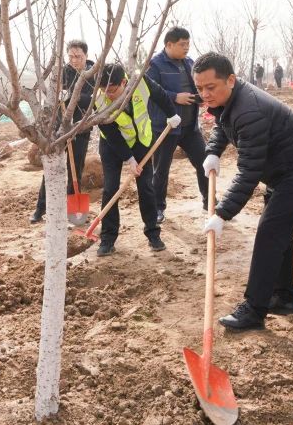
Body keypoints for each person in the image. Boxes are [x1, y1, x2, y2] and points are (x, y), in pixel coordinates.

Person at [195, 52, 293, 330]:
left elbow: (248, 173)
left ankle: (254, 309)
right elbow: (222, 123)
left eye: (210, 87)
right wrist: (213, 151)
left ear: (230, 80)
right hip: (283, 171)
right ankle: (284, 296)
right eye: (200, 88)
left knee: (269, 233)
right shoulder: (231, 100)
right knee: (279, 233)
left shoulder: (249, 110)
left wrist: (222, 213)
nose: (205, 94)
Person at [92, 62, 178, 256]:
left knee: (146, 186)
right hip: (112, 145)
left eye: (112, 90)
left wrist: (172, 114)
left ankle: (153, 233)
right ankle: (107, 238)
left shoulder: (140, 82)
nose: (108, 95)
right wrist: (129, 159)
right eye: (104, 90)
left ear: (124, 82)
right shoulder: (98, 100)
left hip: (141, 140)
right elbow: (111, 134)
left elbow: (160, 95)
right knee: (110, 188)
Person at [145, 26, 209, 224]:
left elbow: (195, 87)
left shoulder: (189, 63)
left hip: (190, 127)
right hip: (166, 127)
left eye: (188, 44)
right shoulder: (155, 65)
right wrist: (175, 97)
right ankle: (157, 208)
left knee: (204, 162)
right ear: (169, 44)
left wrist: (200, 97)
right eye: (182, 44)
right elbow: (149, 91)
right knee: (161, 170)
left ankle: (209, 201)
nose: (186, 48)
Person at [30, 39, 95, 223]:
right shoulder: (63, 73)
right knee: (51, 168)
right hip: (60, 130)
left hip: (82, 128)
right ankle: (40, 208)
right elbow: (53, 97)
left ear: (86, 56)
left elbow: (94, 99)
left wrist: (74, 97)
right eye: (71, 56)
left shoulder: (94, 74)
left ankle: (73, 213)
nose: (74, 60)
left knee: (76, 170)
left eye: (78, 56)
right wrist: (58, 95)